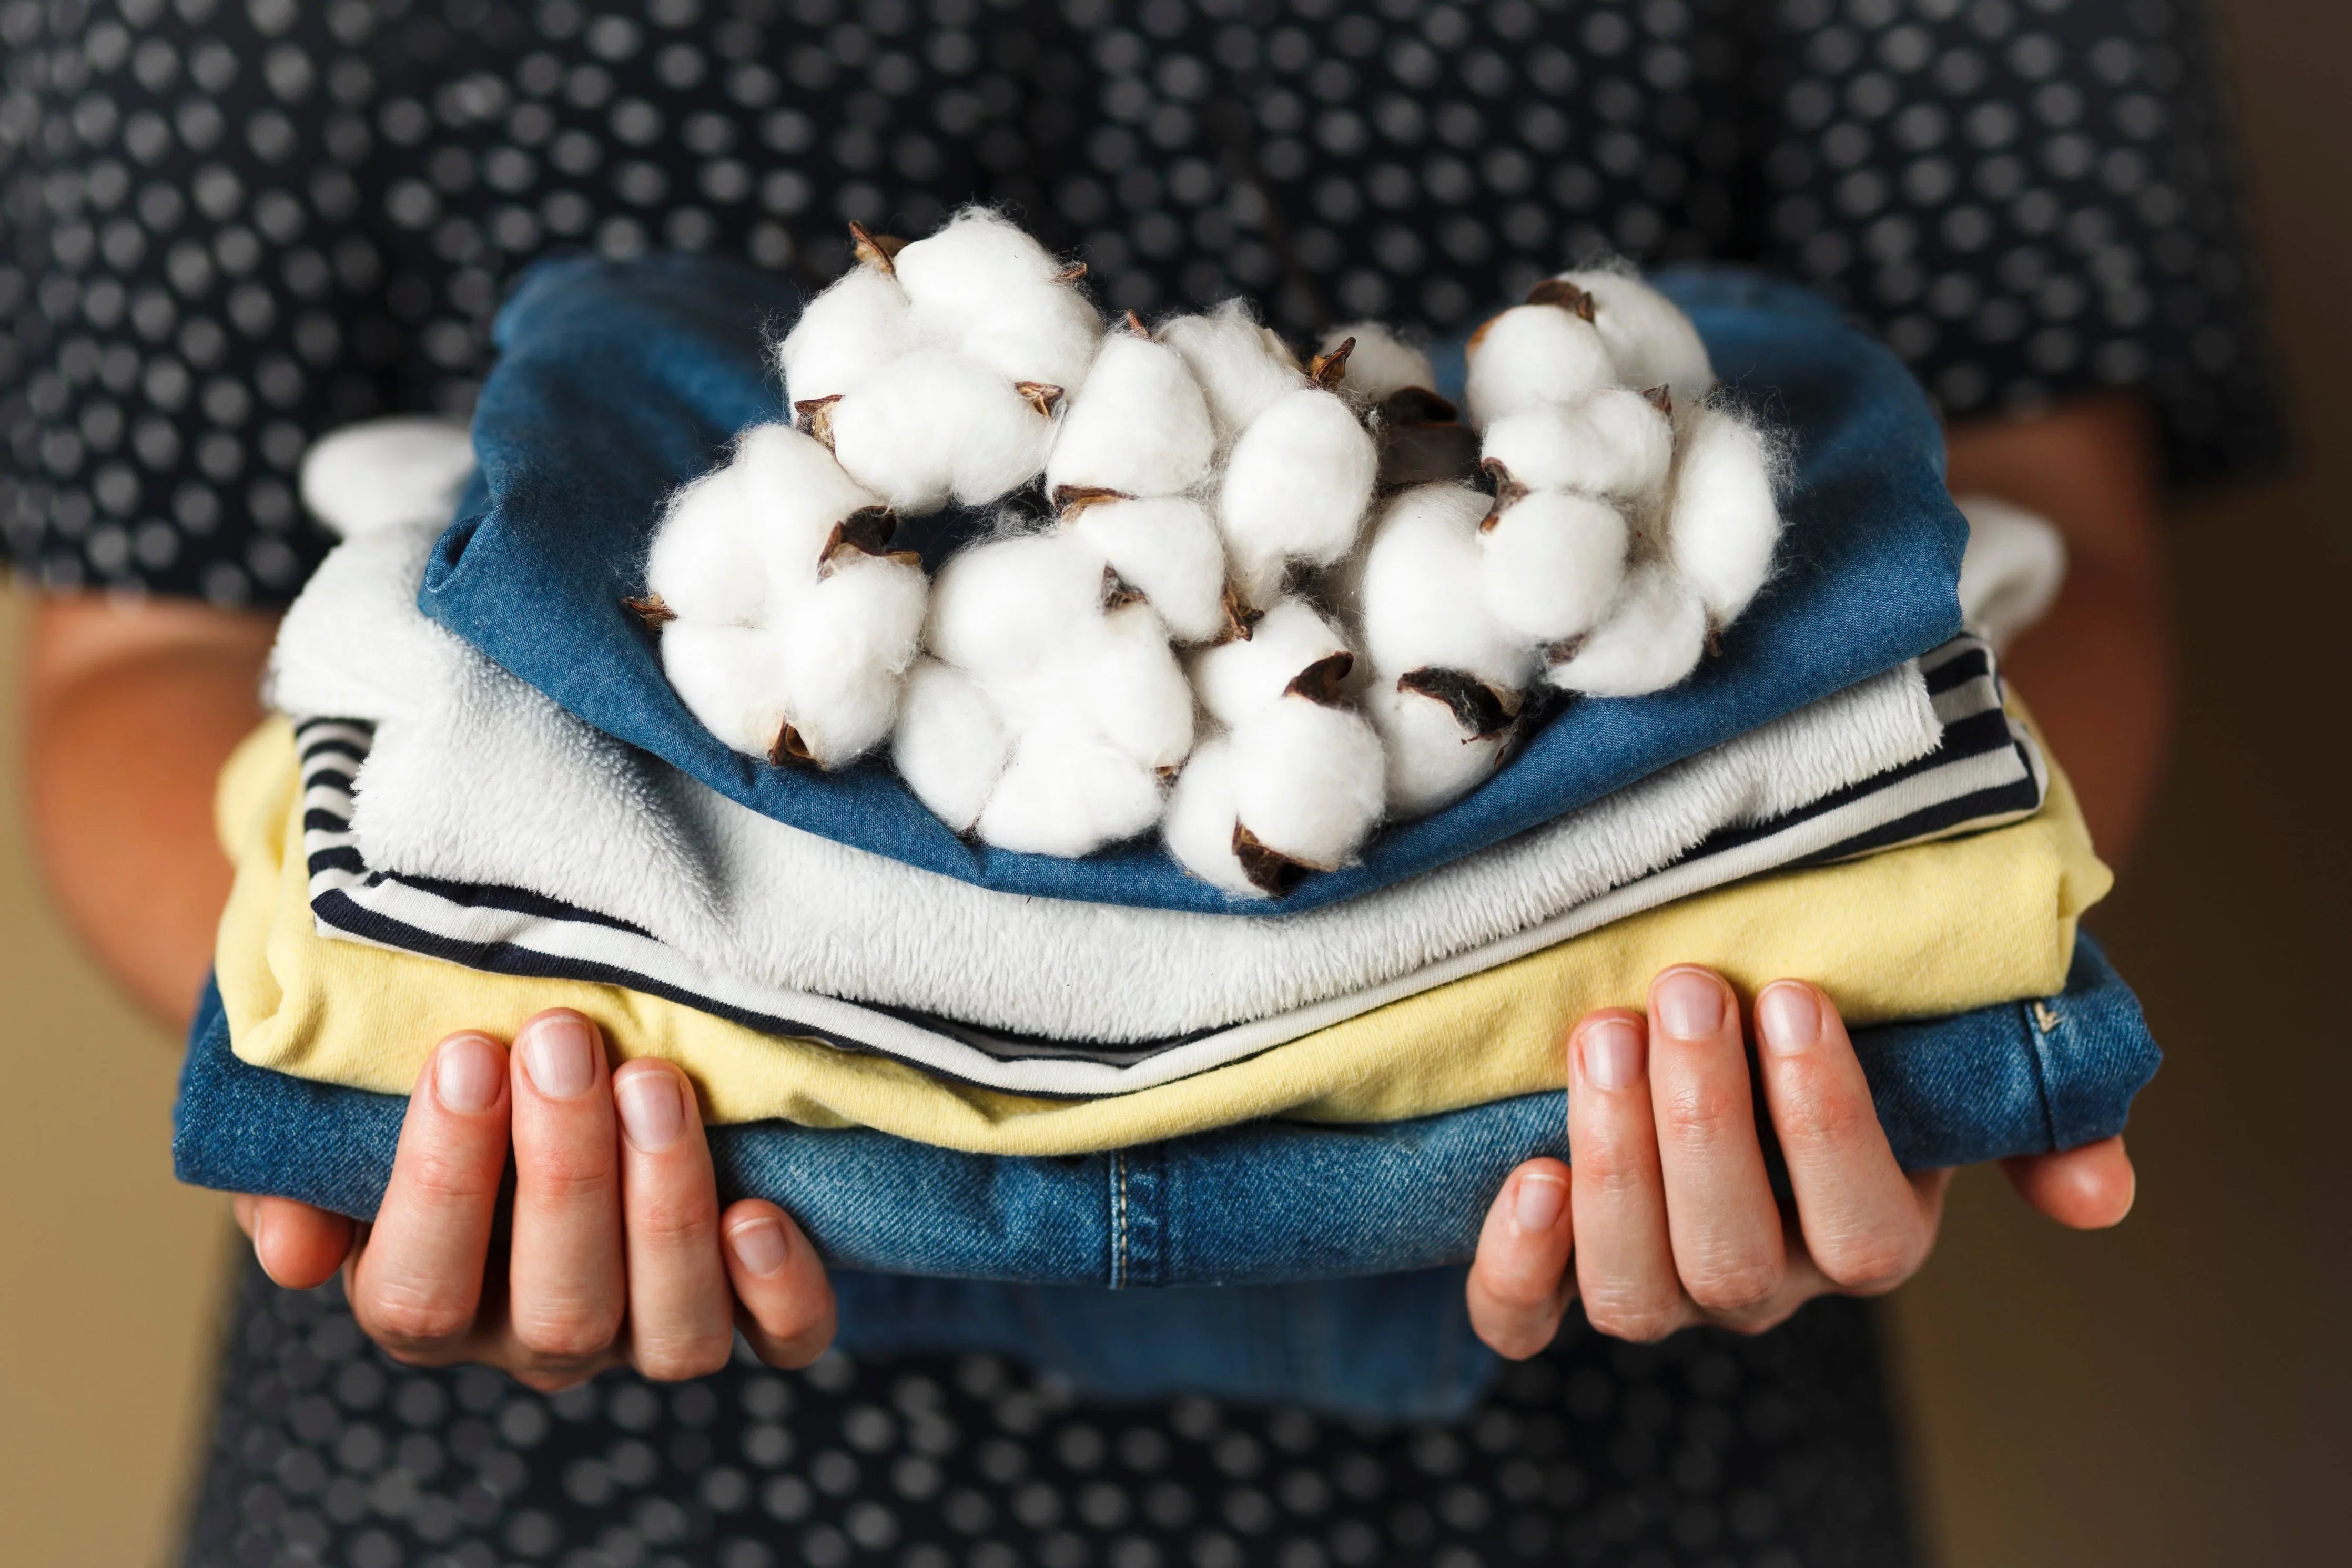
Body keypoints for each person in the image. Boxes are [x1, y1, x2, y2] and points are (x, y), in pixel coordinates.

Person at [7, 0, 2266, 1561]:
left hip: (1613, 1462)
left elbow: (2016, 512)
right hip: (532, 1496)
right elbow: (141, 650)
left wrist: (1839, 1044)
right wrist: (458, 1105)